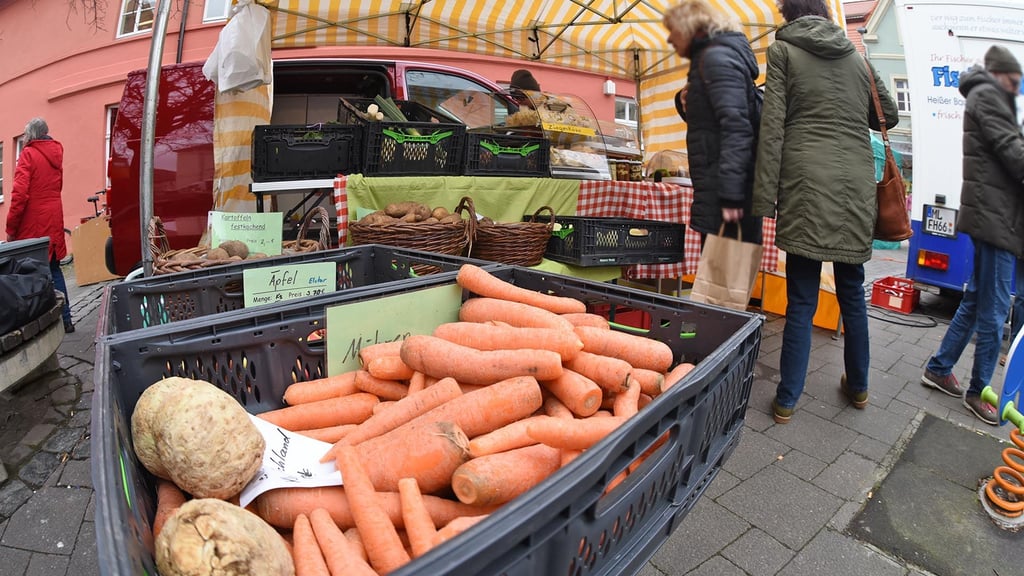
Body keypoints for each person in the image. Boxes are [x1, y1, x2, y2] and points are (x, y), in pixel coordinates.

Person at [751, 0, 899, 423]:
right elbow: (887, 113)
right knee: (853, 290)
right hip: (854, 184)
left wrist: (764, 199)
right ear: (827, 14)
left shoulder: (783, 51)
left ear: (790, 17)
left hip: (805, 183)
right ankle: (859, 388)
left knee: (802, 298)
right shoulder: (855, 54)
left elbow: (773, 125)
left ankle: (787, 399)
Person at [920, 45, 1024, 425]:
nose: (1017, 88)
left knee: (978, 299)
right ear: (1001, 75)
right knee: (995, 309)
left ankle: (939, 366)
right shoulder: (989, 97)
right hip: (996, 220)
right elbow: (1015, 155)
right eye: (1014, 81)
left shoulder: (987, 97)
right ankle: (979, 391)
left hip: (991, 216)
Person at [663, 0, 763, 246]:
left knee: (724, 278)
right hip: (721, 190)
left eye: (672, 30)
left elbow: (736, 128)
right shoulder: (713, 58)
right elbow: (714, 126)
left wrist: (731, 196)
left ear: (690, 27)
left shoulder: (717, 59)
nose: (669, 39)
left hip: (727, 195)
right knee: (723, 278)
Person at [5, 117, 73, 333]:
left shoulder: (28, 154)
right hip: (54, 215)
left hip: (34, 221)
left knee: (32, 271)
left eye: (25, 134)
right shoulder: (55, 154)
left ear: (31, 134)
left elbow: (19, 195)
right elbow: (57, 187)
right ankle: (67, 319)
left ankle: (43, 324)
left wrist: (11, 229)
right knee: (54, 267)